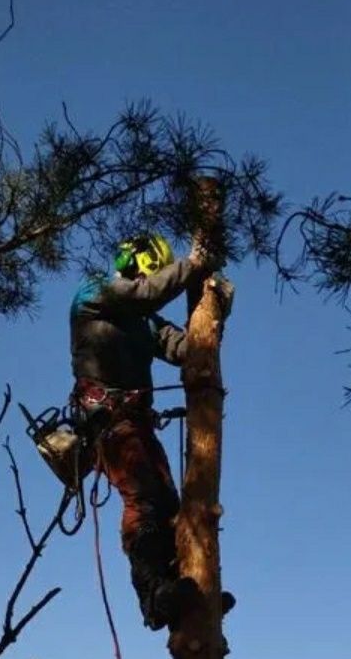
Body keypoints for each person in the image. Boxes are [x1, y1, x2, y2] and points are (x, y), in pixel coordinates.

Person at [52, 233, 233, 630]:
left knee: (169, 504)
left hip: (135, 422)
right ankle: (152, 596)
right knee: (144, 499)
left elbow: (186, 349)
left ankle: (186, 593)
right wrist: (194, 264)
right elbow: (144, 295)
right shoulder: (95, 291)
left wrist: (215, 310)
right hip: (107, 422)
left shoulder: (143, 321)